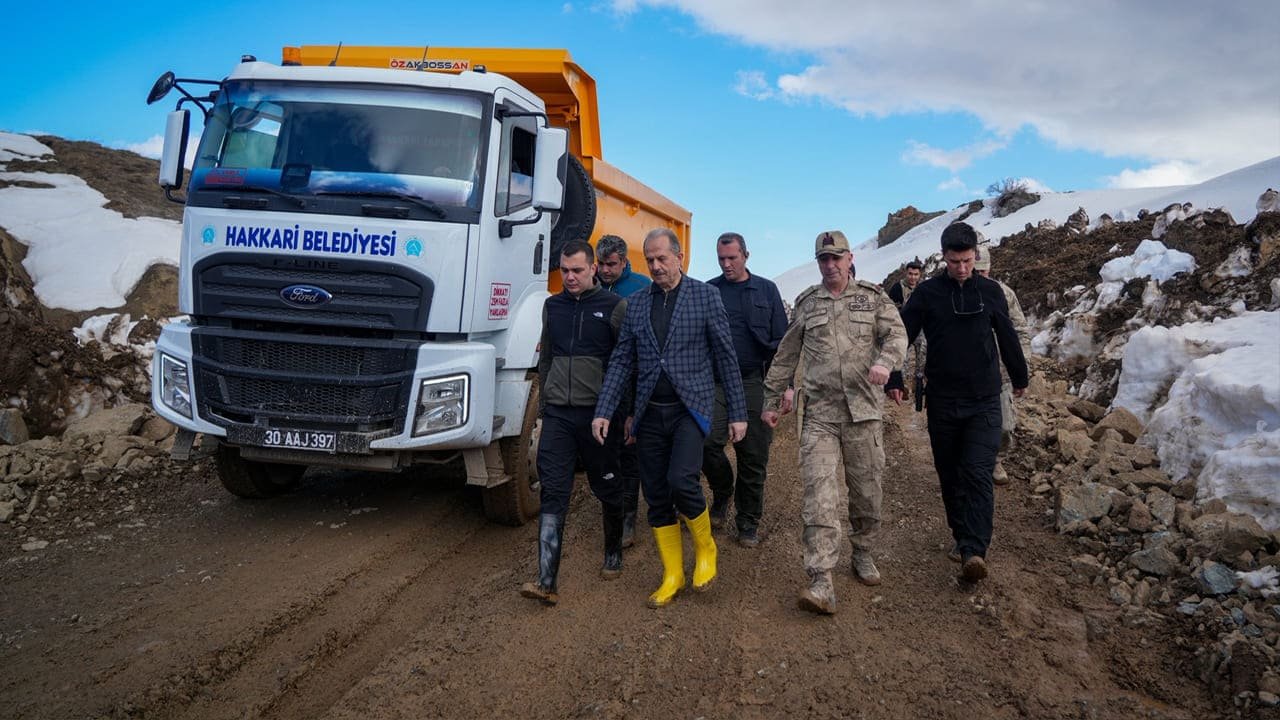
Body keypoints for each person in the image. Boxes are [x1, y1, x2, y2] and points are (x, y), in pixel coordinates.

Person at [592, 228, 748, 609]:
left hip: (689, 409)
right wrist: (605, 410)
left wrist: (739, 414)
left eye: (663, 258)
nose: (657, 266)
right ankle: (673, 573)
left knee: (682, 480)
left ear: (680, 257)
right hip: (649, 413)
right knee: (657, 495)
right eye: (651, 260)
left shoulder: (705, 296)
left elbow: (726, 356)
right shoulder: (638, 304)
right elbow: (623, 360)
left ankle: (706, 547)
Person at [762, 230, 907, 615]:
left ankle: (862, 551)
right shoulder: (808, 304)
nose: (830, 265)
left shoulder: (873, 299)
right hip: (820, 417)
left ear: (849, 259)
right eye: (823, 259)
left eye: (836, 258)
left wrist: (885, 362)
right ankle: (821, 578)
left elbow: (897, 334)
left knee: (866, 494)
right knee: (819, 498)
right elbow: (786, 353)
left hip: (863, 415)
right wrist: (772, 399)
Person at [890, 223, 1029, 583]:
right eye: (955, 262)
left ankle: (974, 550)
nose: (963, 269)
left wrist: (1020, 376)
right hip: (943, 401)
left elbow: (1008, 335)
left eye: (968, 261)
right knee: (950, 474)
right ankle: (960, 535)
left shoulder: (991, 291)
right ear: (944, 258)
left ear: (975, 256)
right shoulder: (928, 294)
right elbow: (900, 335)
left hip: (984, 399)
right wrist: (893, 376)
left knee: (978, 472)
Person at [520, 241, 629, 606]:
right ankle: (545, 580)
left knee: (607, 488)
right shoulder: (553, 307)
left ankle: (613, 552)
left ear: (593, 269)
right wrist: (546, 405)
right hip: (560, 417)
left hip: (599, 417)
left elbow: (624, 365)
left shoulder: (614, 308)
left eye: (577, 270)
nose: (569, 277)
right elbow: (547, 358)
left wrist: (622, 414)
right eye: (565, 270)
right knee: (553, 489)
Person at [702, 232, 790, 547]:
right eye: (721, 258)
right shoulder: (709, 291)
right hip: (716, 382)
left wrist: (787, 387)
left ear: (746, 256)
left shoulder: (766, 290)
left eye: (732, 258)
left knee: (753, 454)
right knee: (705, 441)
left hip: (755, 381)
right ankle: (723, 490)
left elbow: (784, 343)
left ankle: (748, 520)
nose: (726, 264)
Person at [594, 234, 651, 548]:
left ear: (624, 262)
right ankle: (612, 506)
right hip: (599, 381)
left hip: (633, 378)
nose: (605, 270)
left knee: (630, 449)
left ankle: (629, 516)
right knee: (607, 450)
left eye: (611, 264)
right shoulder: (591, 287)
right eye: (601, 264)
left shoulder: (641, 287)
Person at [973, 245, 1032, 486]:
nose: (978, 276)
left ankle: (997, 458)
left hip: (1001, 372)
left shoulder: (1004, 294)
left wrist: (1022, 365)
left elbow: (1020, 331)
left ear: (989, 268)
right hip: (969, 374)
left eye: (982, 271)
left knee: (1005, 426)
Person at [888, 260, 926, 400]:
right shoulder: (897, 288)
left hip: (921, 329)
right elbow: (891, 309)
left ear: (919, 274)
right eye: (910, 274)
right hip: (903, 329)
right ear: (906, 273)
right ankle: (901, 386)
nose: (913, 277)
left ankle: (919, 384)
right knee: (901, 357)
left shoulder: (923, 288)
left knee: (922, 356)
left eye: (916, 274)